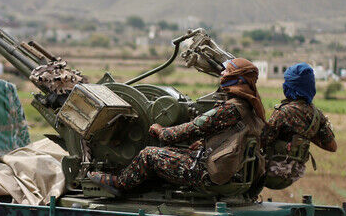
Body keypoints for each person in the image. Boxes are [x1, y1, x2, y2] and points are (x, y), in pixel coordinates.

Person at [87, 58, 267, 196]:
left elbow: (193, 128)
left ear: (237, 79)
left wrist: (161, 132)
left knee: (149, 154)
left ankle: (120, 184)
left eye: (227, 72)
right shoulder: (251, 110)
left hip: (209, 175)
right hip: (231, 173)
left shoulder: (231, 109)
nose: (222, 76)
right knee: (172, 151)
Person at [261, 63, 337, 189]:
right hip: (293, 173)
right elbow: (332, 146)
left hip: (271, 171)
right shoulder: (317, 115)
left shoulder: (282, 112)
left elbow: (263, 141)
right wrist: (306, 134)